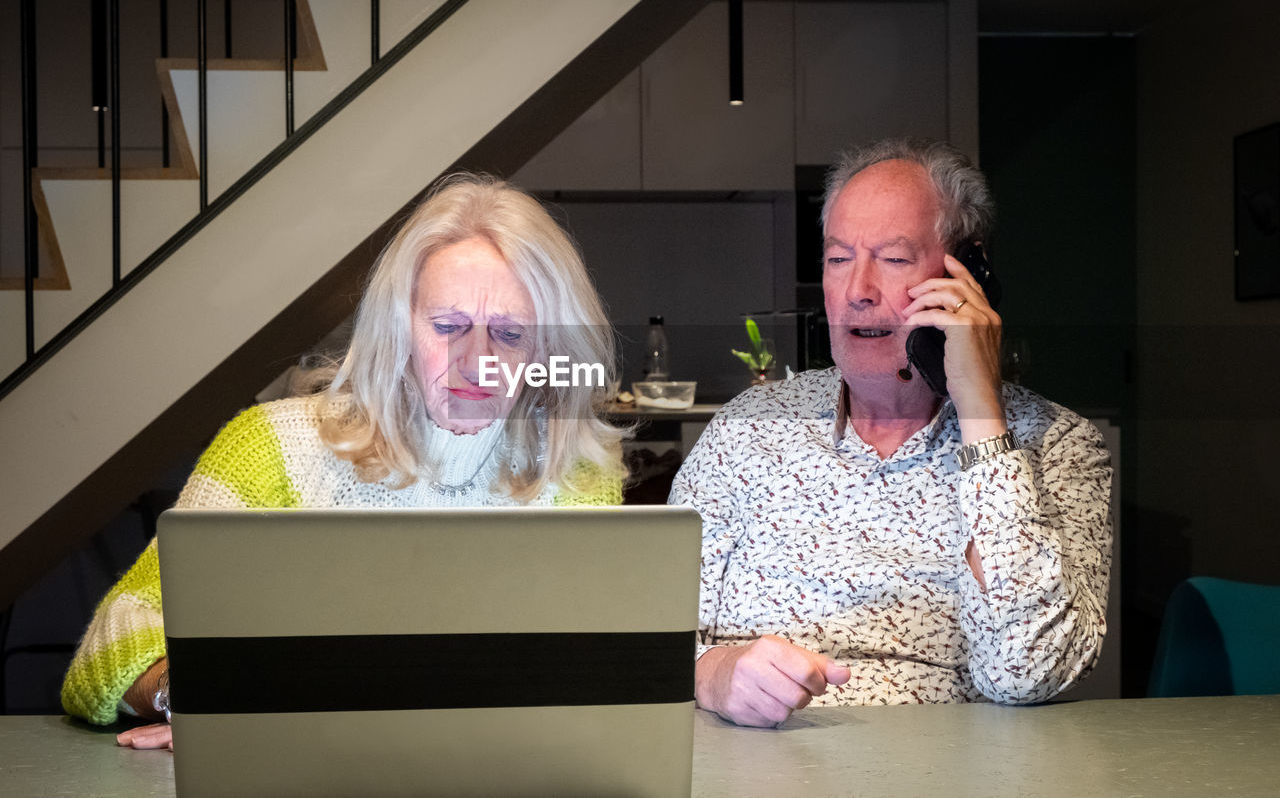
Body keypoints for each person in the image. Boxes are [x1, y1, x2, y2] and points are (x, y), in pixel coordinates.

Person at [61, 173, 627, 748]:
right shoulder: (270, 450)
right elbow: (110, 644)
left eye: (509, 334)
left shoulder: (576, 477)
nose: (477, 362)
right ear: (396, 328)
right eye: (448, 326)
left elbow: (611, 677)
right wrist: (197, 695)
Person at [671, 138, 1112, 728]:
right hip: (745, 764)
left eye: (895, 259)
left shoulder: (1058, 444)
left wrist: (981, 413)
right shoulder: (748, 427)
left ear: (971, 274)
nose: (858, 290)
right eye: (837, 259)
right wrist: (713, 674)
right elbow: (643, 635)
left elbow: (1027, 671)